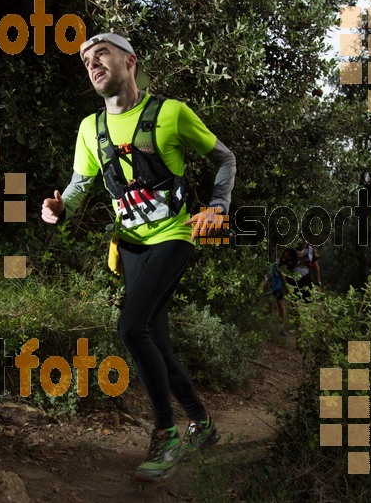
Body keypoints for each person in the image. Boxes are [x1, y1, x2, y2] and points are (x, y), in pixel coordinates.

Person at [40, 33, 236, 482]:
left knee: (130, 327)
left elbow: (226, 159)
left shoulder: (171, 113)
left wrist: (218, 205)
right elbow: (78, 183)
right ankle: (201, 422)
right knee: (156, 342)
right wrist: (61, 206)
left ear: (130, 61)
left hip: (175, 236)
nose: (92, 63)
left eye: (101, 54)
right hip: (130, 246)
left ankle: (165, 433)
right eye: (87, 60)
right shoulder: (90, 129)